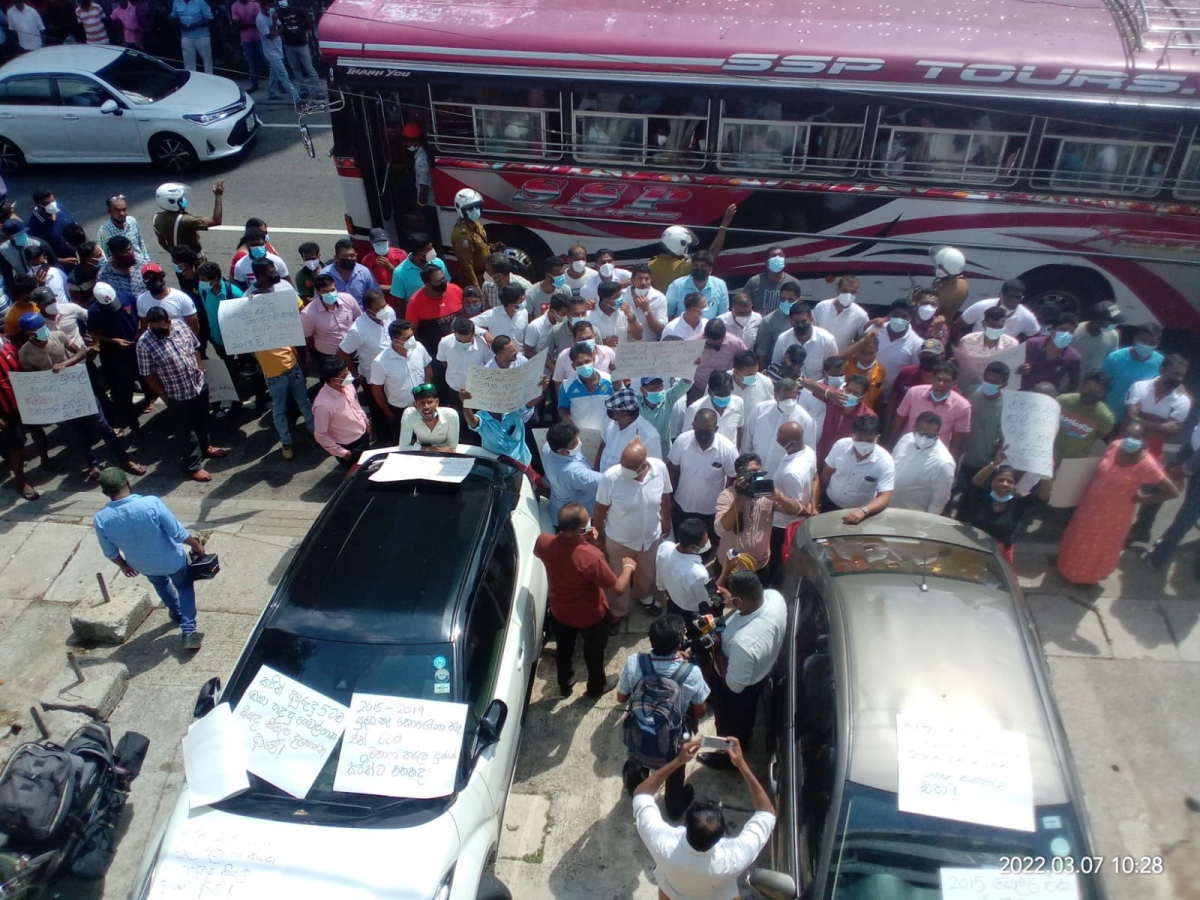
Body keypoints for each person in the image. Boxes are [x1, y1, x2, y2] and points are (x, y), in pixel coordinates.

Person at [633, 736, 776, 898]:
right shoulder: (734, 858)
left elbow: (641, 794)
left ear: (686, 823)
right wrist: (741, 764)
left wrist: (678, 761)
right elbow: (767, 813)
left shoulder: (663, 843)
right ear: (723, 834)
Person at [18, 312, 144, 482]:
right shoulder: (25, 352)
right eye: (37, 329)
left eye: (43, 326)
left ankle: (124, 459)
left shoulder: (58, 336)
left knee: (103, 425)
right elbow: (29, 378)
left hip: (77, 389)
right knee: (74, 433)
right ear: (29, 334)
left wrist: (65, 364)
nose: (43, 331)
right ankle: (92, 464)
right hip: (58, 398)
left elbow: (80, 353)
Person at [94, 470, 206, 651]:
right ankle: (189, 632)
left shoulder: (101, 519)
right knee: (184, 587)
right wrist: (196, 545)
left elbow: (109, 551)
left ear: (105, 492)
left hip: (142, 565)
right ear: (128, 483)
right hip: (172, 561)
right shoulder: (151, 503)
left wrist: (123, 565)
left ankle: (177, 613)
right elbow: (177, 533)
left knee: (161, 585)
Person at [534, 503, 636, 697]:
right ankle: (596, 687)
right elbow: (618, 588)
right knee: (594, 654)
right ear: (580, 529)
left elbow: (560, 553)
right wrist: (628, 568)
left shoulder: (543, 542)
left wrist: (581, 540)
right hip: (591, 616)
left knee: (564, 651)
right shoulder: (592, 557)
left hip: (560, 612)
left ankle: (565, 685)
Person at [1057, 422, 1178, 585]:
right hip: (1090, 505)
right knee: (1078, 535)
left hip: (1114, 514)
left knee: (1096, 545)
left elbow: (1172, 492)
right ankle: (1065, 566)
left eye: (1135, 437)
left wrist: (1143, 499)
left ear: (1144, 440)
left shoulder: (1147, 464)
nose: (1129, 440)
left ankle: (1085, 578)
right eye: (1127, 435)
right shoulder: (1115, 446)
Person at [618, 615, 710, 817]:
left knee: (636, 761)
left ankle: (637, 792)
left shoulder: (635, 662)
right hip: (674, 742)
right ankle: (675, 807)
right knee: (675, 773)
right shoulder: (691, 673)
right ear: (679, 644)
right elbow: (701, 711)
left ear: (651, 641)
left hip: (639, 734)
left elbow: (620, 697)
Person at [700, 570, 786, 764]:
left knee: (730, 726)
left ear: (739, 601)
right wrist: (731, 601)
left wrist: (715, 647)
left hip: (737, 691)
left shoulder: (743, 643)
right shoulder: (774, 597)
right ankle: (744, 739)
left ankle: (727, 758)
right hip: (760, 673)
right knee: (746, 718)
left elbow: (734, 686)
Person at [136, 306, 226, 481]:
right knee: (185, 431)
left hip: (198, 385)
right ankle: (192, 466)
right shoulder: (144, 343)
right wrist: (164, 396)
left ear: (168, 322)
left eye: (160, 327)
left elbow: (195, 347)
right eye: (152, 328)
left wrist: (200, 368)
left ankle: (206, 446)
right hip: (176, 393)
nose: (156, 332)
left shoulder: (180, 326)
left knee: (202, 420)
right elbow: (147, 374)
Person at [594, 439, 673, 623]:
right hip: (620, 540)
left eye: (630, 466)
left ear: (643, 465)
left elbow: (665, 498)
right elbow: (599, 510)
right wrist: (597, 539)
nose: (624, 469)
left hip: (651, 537)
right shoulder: (610, 478)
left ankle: (643, 596)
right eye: (623, 464)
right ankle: (618, 610)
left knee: (646, 572)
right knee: (618, 576)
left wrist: (666, 519)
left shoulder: (659, 469)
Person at [967, 450, 1052, 563]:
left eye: (1009, 481)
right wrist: (994, 464)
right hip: (974, 548)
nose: (1004, 484)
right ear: (992, 482)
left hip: (1000, 555)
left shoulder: (1018, 502)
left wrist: (1043, 471)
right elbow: (975, 482)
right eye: (1000, 480)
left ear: (1014, 486)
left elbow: (1044, 495)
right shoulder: (982, 496)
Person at [667, 409, 738, 542]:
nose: (703, 435)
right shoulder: (682, 441)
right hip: (682, 506)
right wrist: (670, 500)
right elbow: (672, 471)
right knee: (681, 544)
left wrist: (726, 508)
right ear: (693, 426)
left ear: (716, 429)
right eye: (699, 430)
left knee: (705, 548)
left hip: (711, 510)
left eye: (708, 431)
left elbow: (733, 479)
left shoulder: (728, 449)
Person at [765, 420, 819, 577]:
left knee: (777, 562)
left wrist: (775, 503)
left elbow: (792, 509)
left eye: (781, 439)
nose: (777, 441)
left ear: (793, 442)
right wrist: (813, 505)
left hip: (782, 526)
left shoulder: (791, 472)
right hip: (798, 520)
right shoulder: (808, 452)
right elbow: (815, 477)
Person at [87, 282, 142, 434]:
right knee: (124, 388)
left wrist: (138, 331)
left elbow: (140, 316)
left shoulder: (127, 297)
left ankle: (149, 399)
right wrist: (113, 341)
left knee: (147, 378)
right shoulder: (94, 311)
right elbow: (93, 333)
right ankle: (132, 422)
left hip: (137, 347)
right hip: (115, 354)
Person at [1145, 426, 1200, 573]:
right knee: (1188, 512)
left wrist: (1183, 470)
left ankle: (1158, 557)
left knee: (1186, 516)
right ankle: (1143, 531)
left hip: (1194, 459)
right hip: (1193, 447)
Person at [821, 415, 894, 523]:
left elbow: (885, 496)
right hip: (829, 504)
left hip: (859, 515)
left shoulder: (885, 461)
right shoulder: (840, 446)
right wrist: (819, 498)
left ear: (877, 438)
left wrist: (863, 511)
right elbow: (826, 473)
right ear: (852, 435)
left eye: (869, 440)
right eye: (859, 439)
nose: (864, 443)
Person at [337, 288, 394, 425]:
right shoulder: (358, 330)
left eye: (385, 305)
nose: (385, 309)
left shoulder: (389, 313)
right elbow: (342, 352)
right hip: (373, 377)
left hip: (393, 373)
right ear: (369, 311)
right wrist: (356, 375)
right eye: (380, 308)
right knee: (380, 413)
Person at [890, 362, 970, 456]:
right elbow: (898, 421)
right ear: (932, 379)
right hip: (907, 449)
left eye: (946, 381)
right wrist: (891, 446)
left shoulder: (962, 407)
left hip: (934, 456)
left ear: (954, 383)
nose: (941, 384)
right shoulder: (914, 393)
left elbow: (958, 441)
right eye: (938, 379)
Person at [714, 453, 775, 576]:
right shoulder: (727, 495)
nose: (755, 477)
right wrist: (741, 497)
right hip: (730, 567)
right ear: (739, 476)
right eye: (750, 474)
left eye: (758, 472)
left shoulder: (769, 495)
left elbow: (794, 510)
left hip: (758, 566)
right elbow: (720, 530)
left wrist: (779, 496)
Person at [370, 319, 434, 429]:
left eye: (412, 335)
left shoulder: (418, 347)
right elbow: (376, 390)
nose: (412, 339)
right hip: (400, 410)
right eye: (407, 338)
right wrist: (389, 414)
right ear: (396, 341)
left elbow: (427, 369)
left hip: (424, 406)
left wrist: (429, 394)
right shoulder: (380, 362)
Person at [891, 411, 956, 514]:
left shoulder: (943, 463)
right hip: (886, 508)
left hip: (911, 518)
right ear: (914, 429)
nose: (924, 438)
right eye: (921, 433)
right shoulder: (906, 439)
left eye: (930, 435)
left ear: (937, 434)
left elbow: (939, 501)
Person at [1100, 323, 1164, 425]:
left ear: (1157, 343)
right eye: (1143, 341)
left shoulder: (1161, 363)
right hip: (1109, 415)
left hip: (1137, 421)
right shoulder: (1115, 358)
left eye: (1152, 343)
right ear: (1136, 339)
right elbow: (1101, 384)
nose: (1147, 345)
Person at [303, 272, 361, 377]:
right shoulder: (308, 313)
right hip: (330, 357)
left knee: (360, 378)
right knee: (337, 385)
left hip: (354, 349)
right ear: (318, 292)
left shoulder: (348, 299)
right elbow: (307, 337)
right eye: (325, 291)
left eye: (332, 290)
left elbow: (359, 320)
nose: (330, 294)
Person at [743, 377, 815, 462]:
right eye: (785, 398)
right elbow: (747, 441)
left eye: (793, 397)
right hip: (757, 468)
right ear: (775, 396)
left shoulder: (805, 419)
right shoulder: (760, 410)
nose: (790, 402)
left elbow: (809, 453)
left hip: (782, 471)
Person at [542, 421, 603, 520]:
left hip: (558, 504)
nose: (579, 443)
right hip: (574, 517)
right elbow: (607, 480)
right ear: (562, 451)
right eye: (574, 443)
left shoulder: (548, 447)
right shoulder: (571, 472)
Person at [313, 359, 370, 465]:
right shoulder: (323, 405)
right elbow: (321, 434)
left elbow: (356, 404)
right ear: (334, 380)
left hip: (363, 435)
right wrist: (342, 453)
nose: (348, 376)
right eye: (344, 375)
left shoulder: (347, 385)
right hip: (349, 446)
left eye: (348, 372)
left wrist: (365, 421)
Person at [653, 520, 713, 620]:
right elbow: (706, 602)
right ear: (693, 547)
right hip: (691, 612)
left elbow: (660, 579)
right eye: (705, 542)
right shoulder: (698, 573)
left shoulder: (665, 546)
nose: (708, 543)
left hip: (673, 601)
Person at [953, 304, 1019, 392]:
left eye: (999, 326)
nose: (996, 329)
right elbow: (959, 364)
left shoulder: (1012, 345)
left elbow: (1015, 369)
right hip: (969, 389)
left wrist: (1021, 369)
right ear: (984, 324)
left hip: (998, 392)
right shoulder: (967, 341)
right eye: (992, 326)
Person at [405, 262, 464, 359]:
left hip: (462, 350)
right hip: (434, 355)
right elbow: (411, 332)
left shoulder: (455, 289)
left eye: (443, 278)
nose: (443, 283)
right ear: (427, 284)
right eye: (438, 281)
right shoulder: (415, 302)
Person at [598, 386, 663, 471]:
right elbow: (604, 443)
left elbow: (653, 467)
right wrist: (596, 469)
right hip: (601, 478)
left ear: (624, 413)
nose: (609, 412)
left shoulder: (649, 436)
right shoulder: (610, 422)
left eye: (613, 410)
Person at [152, 181, 224, 259]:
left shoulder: (157, 218)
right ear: (172, 202)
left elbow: (162, 242)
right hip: (195, 262)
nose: (183, 200)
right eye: (180, 199)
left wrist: (177, 255)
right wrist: (218, 196)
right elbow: (216, 220)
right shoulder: (186, 220)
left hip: (177, 261)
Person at [953, 278, 1040, 342]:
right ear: (1001, 295)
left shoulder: (1026, 317)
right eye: (1010, 296)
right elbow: (957, 326)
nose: (1014, 300)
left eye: (1018, 297)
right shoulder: (981, 306)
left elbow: (1036, 338)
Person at [1018, 307, 1082, 394]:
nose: (1067, 334)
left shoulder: (1073, 358)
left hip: (1047, 398)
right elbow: (1014, 366)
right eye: (1063, 330)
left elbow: (1073, 383)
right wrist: (1020, 369)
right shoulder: (1032, 344)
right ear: (1052, 330)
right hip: (1022, 392)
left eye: (1071, 332)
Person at [815, 372, 876, 463]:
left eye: (856, 393)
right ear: (843, 389)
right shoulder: (835, 397)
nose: (850, 395)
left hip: (844, 461)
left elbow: (869, 444)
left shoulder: (867, 416)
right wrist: (828, 393)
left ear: (862, 397)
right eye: (848, 390)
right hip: (821, 453)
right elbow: (807, 383)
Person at [770, 302, 838, 380]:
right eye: (796, 322)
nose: (800, 325)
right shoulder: (783, 339)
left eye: (803, 321)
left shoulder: (827, 341)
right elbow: (776, 366)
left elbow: (832, 372)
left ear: (811, 320)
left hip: (816, 389)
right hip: (789, 387)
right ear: (791, 322)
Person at [1056, 371, 1115, 461]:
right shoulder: (1063, 401)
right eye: (1088, 389)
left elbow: (1100, 435)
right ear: (1082, 387)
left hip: (1073, 462)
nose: (1090, 394)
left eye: (1097, 392)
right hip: (1049, 454)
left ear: (1104, 394)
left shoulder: (1105, 418)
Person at [461, 396, 538, 465]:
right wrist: (465, 404)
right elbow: (472, 422)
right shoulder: (482, 417)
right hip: (499, 466)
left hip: (523, 462)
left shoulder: (513, 409)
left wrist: (541, 389)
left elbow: (529, 404)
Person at [276, 0, 323, 99]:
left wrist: (303, 30)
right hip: (289, 45)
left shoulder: (297, 10)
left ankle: (318, 90)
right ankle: (303, 90)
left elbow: (308, 20)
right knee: (296, 69)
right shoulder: (279, 12)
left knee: (309, 68)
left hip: (301, 44)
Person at [449, 189, 496, 289]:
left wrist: (491, 246)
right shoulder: (462, 235)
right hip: (476, 279)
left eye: (477, 206)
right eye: (470, 208)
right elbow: (467, 267)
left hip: (485, 275)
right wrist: (477, 288)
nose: (475, 210)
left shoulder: (475, 223)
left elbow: (479, 244)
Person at [558, 342, 614, 424]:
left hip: (607, 433)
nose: (584, 366)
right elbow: (562, 408)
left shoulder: (609, 381)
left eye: (587, 361)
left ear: (593, 360)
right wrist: (567, 421)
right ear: (573, 366)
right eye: (579, 364)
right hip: (580, 434)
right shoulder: (566, 386)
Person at [665, 250, 729, 320]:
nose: (699, 269)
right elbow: (669, 315)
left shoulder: (720, 285)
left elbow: (723, 316)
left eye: (703, 266)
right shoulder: (677, 285)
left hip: (709, 329)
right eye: (695, 265)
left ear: (710, 269)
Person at [812, 274, 868, 351]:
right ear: (838, 290)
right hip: (816, 356)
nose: (848, 295)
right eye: (845, 291)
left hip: (839, 360)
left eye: (853, 292)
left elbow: (864, 339)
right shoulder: (821, 307)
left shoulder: (861, 315)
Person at [399, 382, 459, 450]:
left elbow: (452, 448)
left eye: (429, 402)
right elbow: (403, 447)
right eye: (421, 403)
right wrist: (429, 449)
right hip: (421, 454)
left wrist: (419, 448)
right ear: (415, 405)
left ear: (437, 402)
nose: (426, 407)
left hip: (441, 456)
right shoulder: (409, 414)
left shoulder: (451, 415)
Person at [742, 247, 801, 314]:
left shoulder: (793, 283)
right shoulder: (754, 282)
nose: (777, 258)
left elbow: (798, 308)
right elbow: (742, 304)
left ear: (784, 261)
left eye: (780, 255)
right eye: (773, 256)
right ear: (766, 262)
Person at [322, 238, 379, 306]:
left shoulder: (364, 272)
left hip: (360, 314)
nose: (349, 259)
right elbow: (318, 300)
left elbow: (375, 297)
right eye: (345, 256)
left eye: (352, 256)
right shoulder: (325, 274)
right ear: (336, 257)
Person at [889, 338, 943, 409]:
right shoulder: (906, 372)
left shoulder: (945, 380)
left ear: (942, 357)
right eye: (926, 356)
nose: (929, 359)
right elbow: (894, 397)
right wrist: (888, 419)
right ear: (919, 356)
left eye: (933, 356)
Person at [27, 188, 77, 264]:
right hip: (60, 265)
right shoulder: (34, 224)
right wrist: (60, 261)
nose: (52, 205)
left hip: (77, 256)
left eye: (52, 201)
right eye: (47, 204)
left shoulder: (61, 208)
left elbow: (76, 227)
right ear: (38, 205)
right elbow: (36, 253)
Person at [1073, 301, 1124, 374]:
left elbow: (1111, 360)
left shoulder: (1113, 335)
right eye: (1112, 322)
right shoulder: (1075, 332)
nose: (1115, 325)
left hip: (1094, 381)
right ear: (1099, 321)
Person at [96, 194, 150, 263]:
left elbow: (140, 243)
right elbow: (104, 256)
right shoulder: (103, 231)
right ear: (110, 212)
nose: (122, 213)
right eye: (117, 210)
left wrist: (147, 262)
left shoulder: (132, 221)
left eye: (124, 209)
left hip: (140, 264)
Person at [229, 0, 265, 91]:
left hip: (259, 37)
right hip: (245, 39)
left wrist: (244, 24)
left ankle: (279, 84)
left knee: (266, 60)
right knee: (251, 63)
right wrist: (252, 23)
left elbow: (259, 22)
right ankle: (254, 84)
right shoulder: (235, 6)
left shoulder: (255, 4)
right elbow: (237, 25)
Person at [170, 0, 214, 72]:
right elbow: (173, 17)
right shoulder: (176, 2)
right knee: (188, 63)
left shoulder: (200, 2)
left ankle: (210, 79)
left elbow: (210, 18)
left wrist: (196, 24)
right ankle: (192, 80)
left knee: (207, 61)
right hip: (186, 37)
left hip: (202, 36)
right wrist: (180, 24)